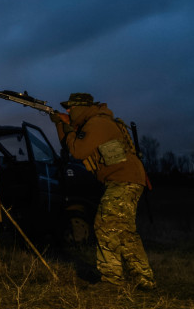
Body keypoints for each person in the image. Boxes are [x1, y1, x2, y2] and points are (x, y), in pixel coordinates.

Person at [52, 93, 156, 290]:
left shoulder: (98, 123)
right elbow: (70, 146)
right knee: (124, 231)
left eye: (70, 108)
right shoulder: (94, 122)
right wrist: (61, 125)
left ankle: (112, 280)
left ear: (81, 107)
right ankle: (143, 278)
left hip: (123, 179)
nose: (68, 111)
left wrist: (64, 125)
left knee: (105, 224)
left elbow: (78, 151)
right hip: (125, 179)